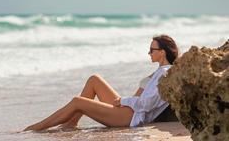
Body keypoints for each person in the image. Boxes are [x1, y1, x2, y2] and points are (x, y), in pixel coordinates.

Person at [23, 34, 179, 131]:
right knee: (94, 80)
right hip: (128, 109)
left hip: (130, 117)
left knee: (78, 102)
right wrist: (124, 102)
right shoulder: (160, 71)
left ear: (163, 52)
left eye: (152, 50)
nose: (149, 53)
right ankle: (71, 123)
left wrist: (123, 100)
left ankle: (36, 128)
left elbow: (148, 104)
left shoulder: (165, 73)